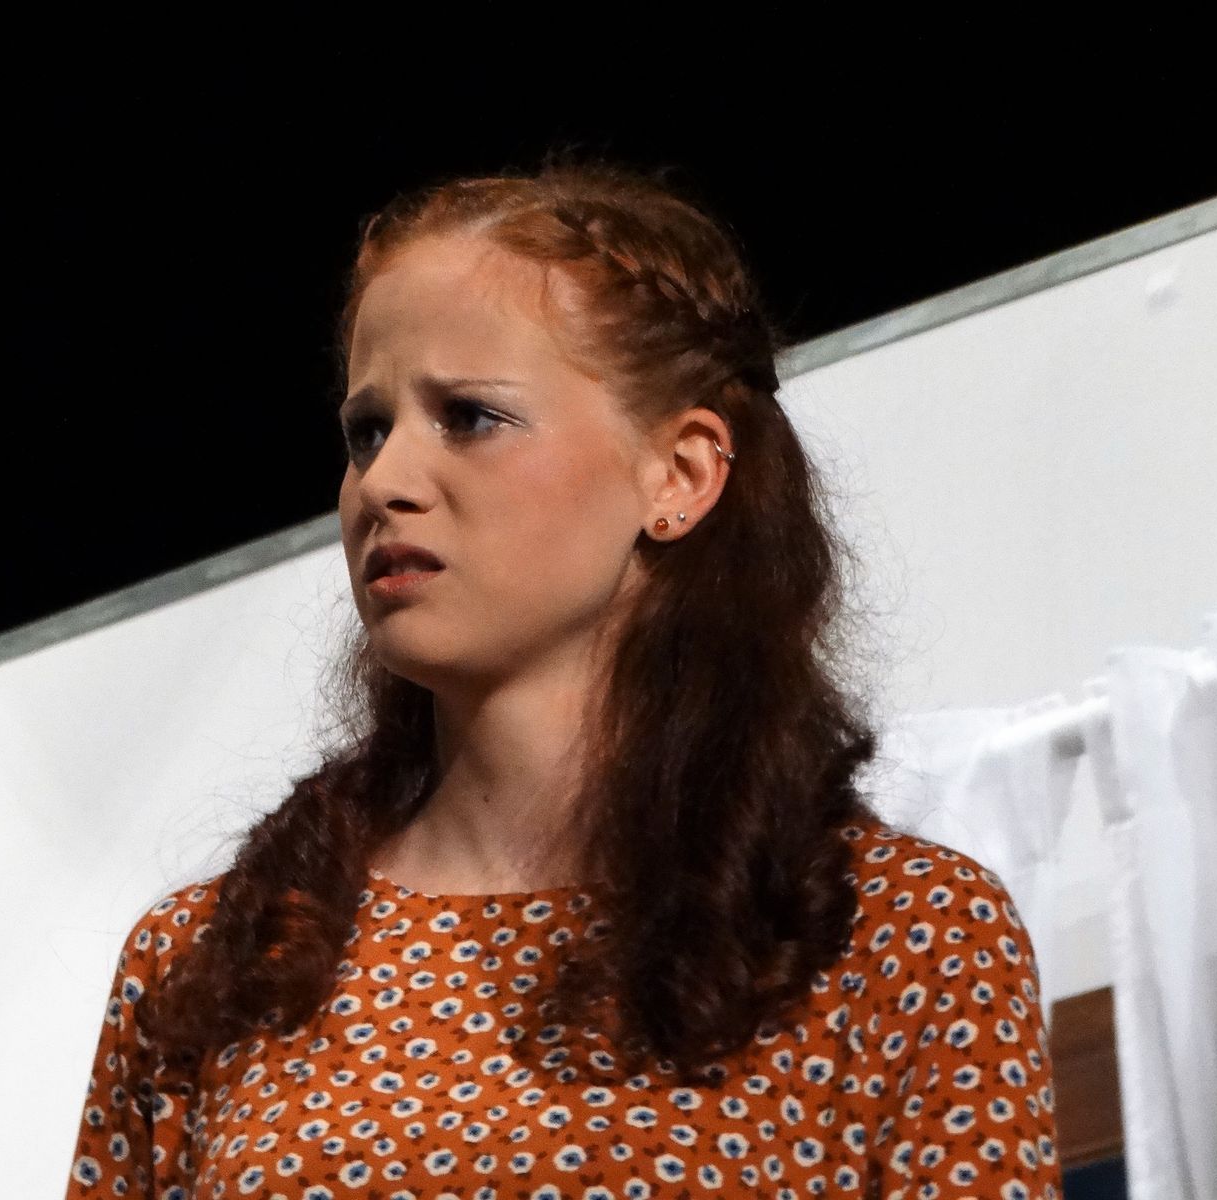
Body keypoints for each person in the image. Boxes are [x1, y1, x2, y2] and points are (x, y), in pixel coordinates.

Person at [62, 157, 1063, 1199]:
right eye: (367, 431)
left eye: (470, 417)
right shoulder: (216, 963)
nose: (384, 482)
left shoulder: (900, 939)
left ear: (678, 473)